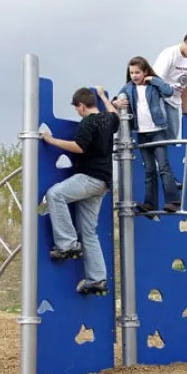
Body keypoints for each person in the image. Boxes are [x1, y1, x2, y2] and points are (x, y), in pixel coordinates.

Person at [41, 86, 119, 295]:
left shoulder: (88, 122)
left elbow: (80, 146)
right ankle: (97, 279)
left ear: (82, 106)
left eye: (77, 109)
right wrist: (103, 96)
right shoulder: (108, 120)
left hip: (89, 178)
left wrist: (51, 141)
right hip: (103, 183)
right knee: (88, 232)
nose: (78, 112)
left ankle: (67, 244)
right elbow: (114, 113)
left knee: (55, 194)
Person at [113, 56, 181, 215]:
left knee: (163, 167)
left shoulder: (153, 86)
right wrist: (116, 103)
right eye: (131, 73)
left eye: (137, 72)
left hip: (157, 130)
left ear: (145, 72)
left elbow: (169, 91)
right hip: (142, 132)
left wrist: (154, 80)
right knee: (149, 169)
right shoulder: (128, 88)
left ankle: (173, 201)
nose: (134, 76)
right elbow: (116, 99)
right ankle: (150, 204)